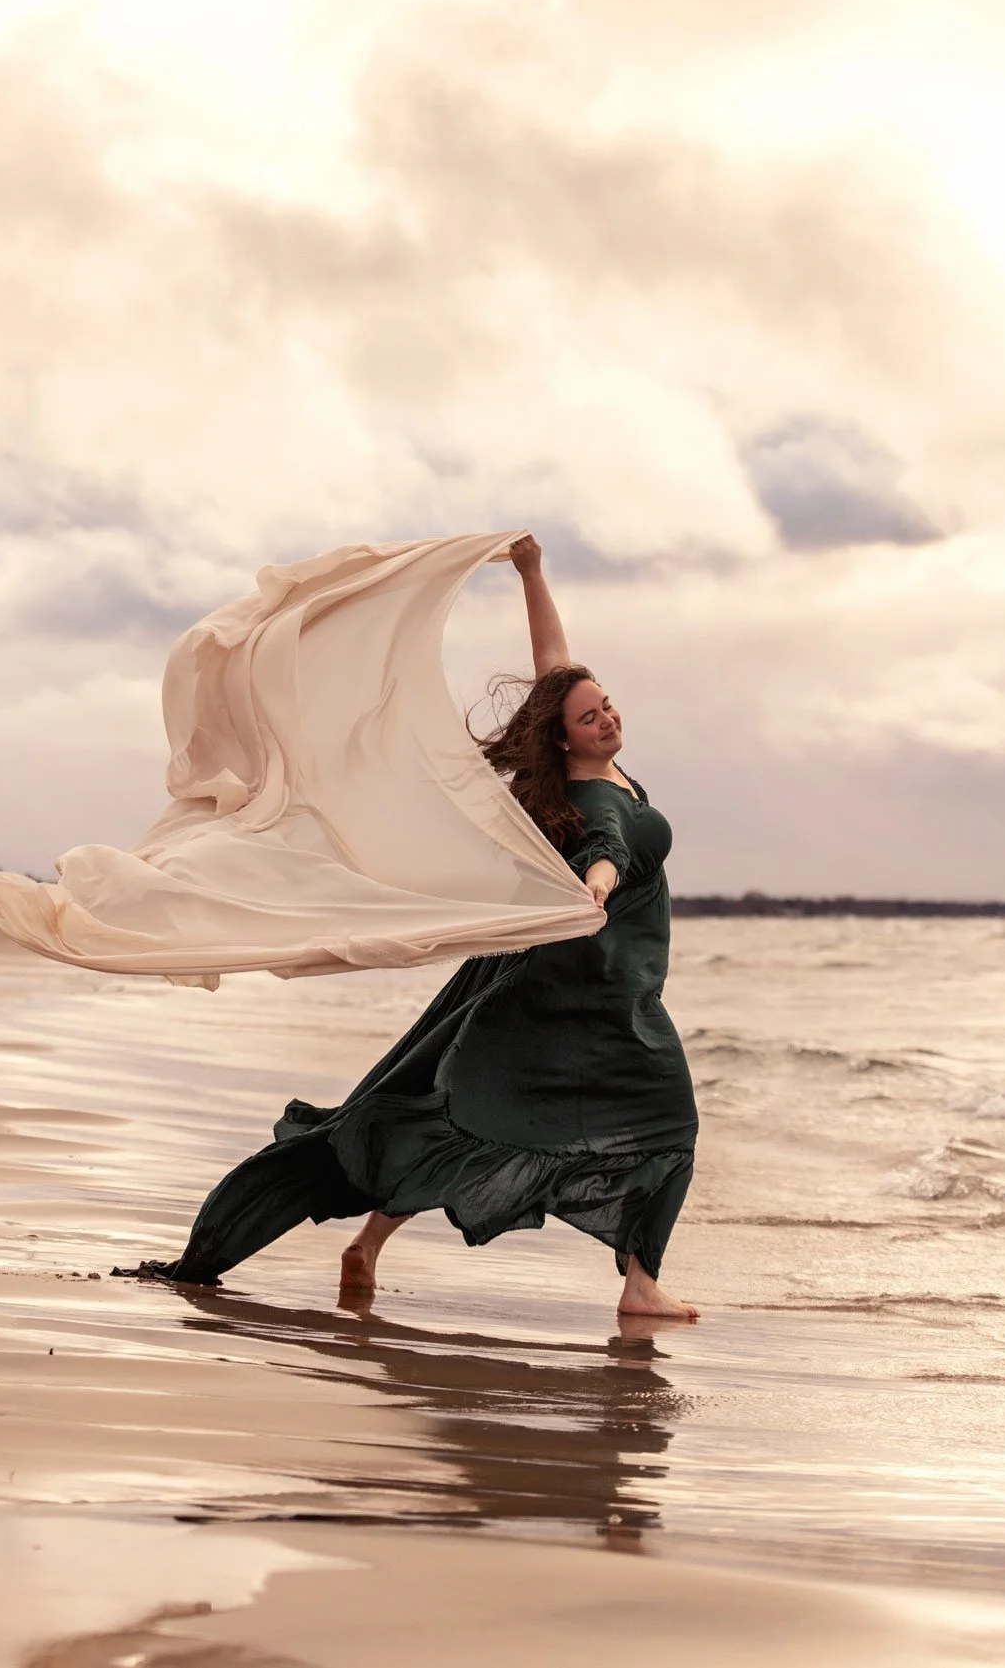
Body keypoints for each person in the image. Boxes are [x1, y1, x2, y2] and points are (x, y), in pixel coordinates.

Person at [123, 533, 699, 1321]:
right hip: (570, 992)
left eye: (607, 706)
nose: (606, 717)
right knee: (642, 1116)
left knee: (452, 1114)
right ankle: (638, 1285)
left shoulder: (592, 765)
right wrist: (595, 886)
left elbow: (554, 665)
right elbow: (605, 852)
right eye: (590, 715)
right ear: (563, 736)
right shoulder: (593, 800)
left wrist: (532, 574)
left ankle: (379, 1247)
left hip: (594, 991)